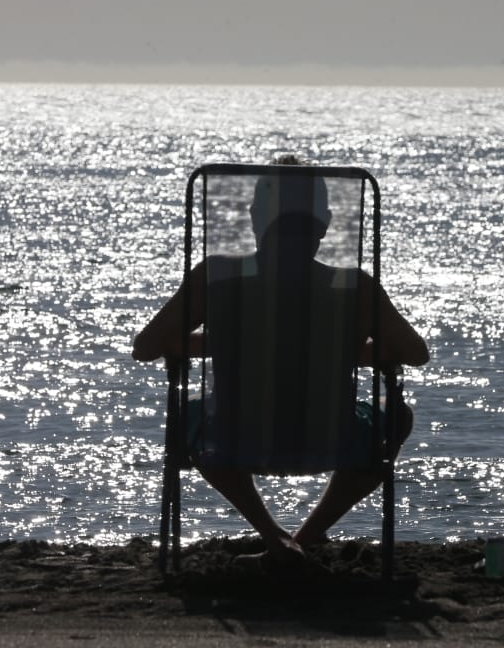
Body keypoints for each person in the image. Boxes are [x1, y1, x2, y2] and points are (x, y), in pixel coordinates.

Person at [132, 160, 429, 565]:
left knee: (188, 416)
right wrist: (339, 346)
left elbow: (147, 347)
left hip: (234, 437)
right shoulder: (354, 286)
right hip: (332, 437)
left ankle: (276, 540)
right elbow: (415, 353)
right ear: (323, 223)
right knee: (397, 416)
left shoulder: (216, 278)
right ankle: (304, 539)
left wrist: (233, 342)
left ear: (256, 218)